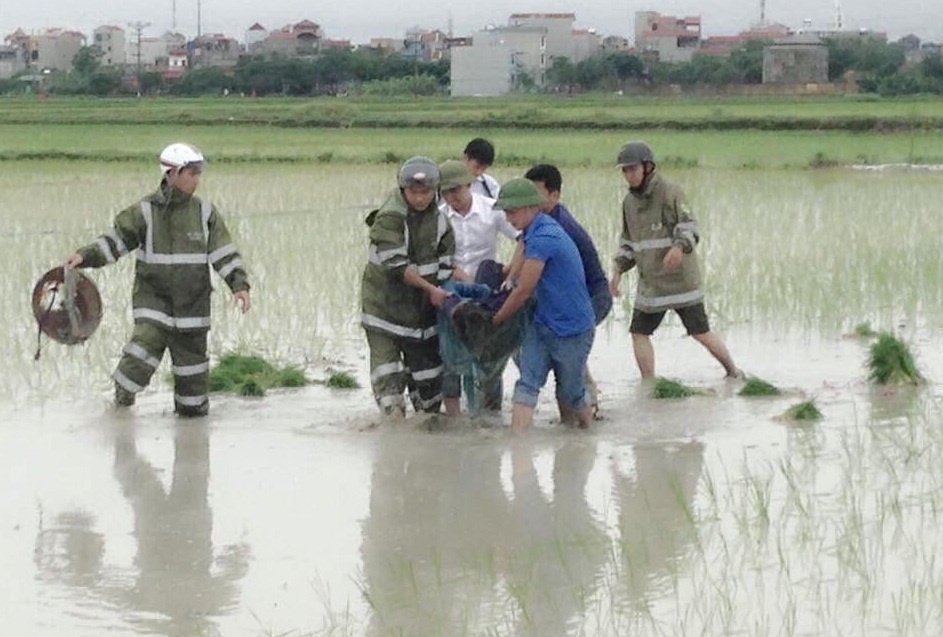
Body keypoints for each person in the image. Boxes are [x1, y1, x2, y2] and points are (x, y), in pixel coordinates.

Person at [65, 142, 251, 416]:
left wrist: (239, 285)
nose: (197, 180)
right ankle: (119, 410)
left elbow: (224, 252)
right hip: (154, 305)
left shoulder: (205, 213)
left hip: (193, 311)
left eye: (199, 173)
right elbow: (116, 241)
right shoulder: (144, 212)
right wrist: (85, 256)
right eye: (192, 173)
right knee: (138, 358)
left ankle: (191, 432)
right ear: (172, 173)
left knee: (193, 396)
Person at [608, 141, 740, 379]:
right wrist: (618, 270)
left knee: (700, 332)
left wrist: (679, 247)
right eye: (625, 171)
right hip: (651, 284)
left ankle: (733, 371)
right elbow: (628, 242)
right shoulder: (629, 203)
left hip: (681, 282)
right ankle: (649, 384)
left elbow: (689, 226)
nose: (628, 175)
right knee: (639, 333)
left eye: (633, 169)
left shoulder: (671, 192)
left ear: (647, 167)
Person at [491, 178, 596, 433]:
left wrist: (496, 320)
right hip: (541, 324)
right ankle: (517, 446)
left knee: (572, 392)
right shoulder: (534, 230)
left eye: (512, 212)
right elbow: (522, 248)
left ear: (531, 207)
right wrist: (509, 278)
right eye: (505, 212)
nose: (508, 218)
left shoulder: (545, 236)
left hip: (573, 329)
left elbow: (524, 291)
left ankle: (589, 436)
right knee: (527, 383)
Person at [361, 156, 455, 417]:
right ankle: (394, 429)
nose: (420, 198)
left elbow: (447, 266)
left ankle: (426, 428)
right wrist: (433, 290)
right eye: (414, 192)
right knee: (388, 383)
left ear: (435, 191)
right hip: (384, 311)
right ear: (403, 190)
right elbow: (398, 268)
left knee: (430, 387)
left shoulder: (441, 223)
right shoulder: (390, 218)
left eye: (426, 192)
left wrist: (447, 294)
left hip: (421, 315)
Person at [524, 164, 612, 420]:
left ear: (555, 196)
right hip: (574, 298)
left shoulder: (559, 228)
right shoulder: (538, 221)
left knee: (569, 354)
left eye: (536, 195)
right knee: (565, 356)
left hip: (591, 298)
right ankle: (574, 419)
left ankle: (587, 410)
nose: (530, 201)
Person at [438, 159, 518, 416]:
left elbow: (524, 238)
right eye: (446, 192)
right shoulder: (439, 217)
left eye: (456, 190)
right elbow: (434, 257)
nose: (452, 197)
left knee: (488, 355)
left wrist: (510, 273)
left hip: (485, 294)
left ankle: (490, 414)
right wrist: (457, 273)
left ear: (469, 185)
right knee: (450, 353)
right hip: (453, 293)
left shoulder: (492, 210)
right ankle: (454, 417)